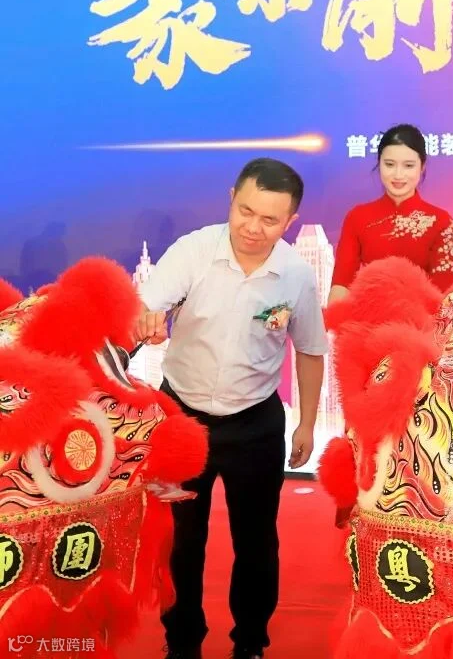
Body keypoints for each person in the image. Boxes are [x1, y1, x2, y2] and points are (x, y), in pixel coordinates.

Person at [134, 158, 328, 659]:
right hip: (182, 418)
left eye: (270, 219)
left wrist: (307, 423)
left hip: (255, 422)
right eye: (245, 211)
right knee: (181, 540)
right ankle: (181, 642)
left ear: (291, 222)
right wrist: (148, 317)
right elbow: (148, 302)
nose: (253, 228)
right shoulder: (194, 250)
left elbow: (310, 350)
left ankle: (250, 643)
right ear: (231, 199)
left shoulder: (296, 275)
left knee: (257, 542)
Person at [328, 124, 453, 304]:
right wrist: (334, 319)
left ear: (422, 167)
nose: (398, 175)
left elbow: (443, 293)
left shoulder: (441, 221)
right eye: (389, 164)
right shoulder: (357, 217)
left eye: (408, 166)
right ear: (379, 163)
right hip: (367, 315)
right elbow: (342, 284)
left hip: (423, 318)